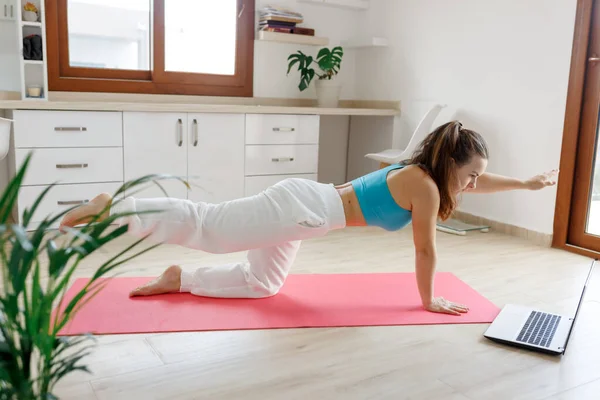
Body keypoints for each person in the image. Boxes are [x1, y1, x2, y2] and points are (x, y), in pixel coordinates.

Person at [59, 121, 558, 316]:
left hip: (308, 210)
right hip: (302, 211)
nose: (474, 186)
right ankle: (113, 207)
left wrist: (527, 183)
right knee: (208, 226)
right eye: (470, 176)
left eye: (478, 179)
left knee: (262, 282)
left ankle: (181, 277)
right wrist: (429, 300)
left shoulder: (424, 173)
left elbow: (481, 181)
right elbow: (426, 250)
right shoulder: (425, 189)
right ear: (450, 165)